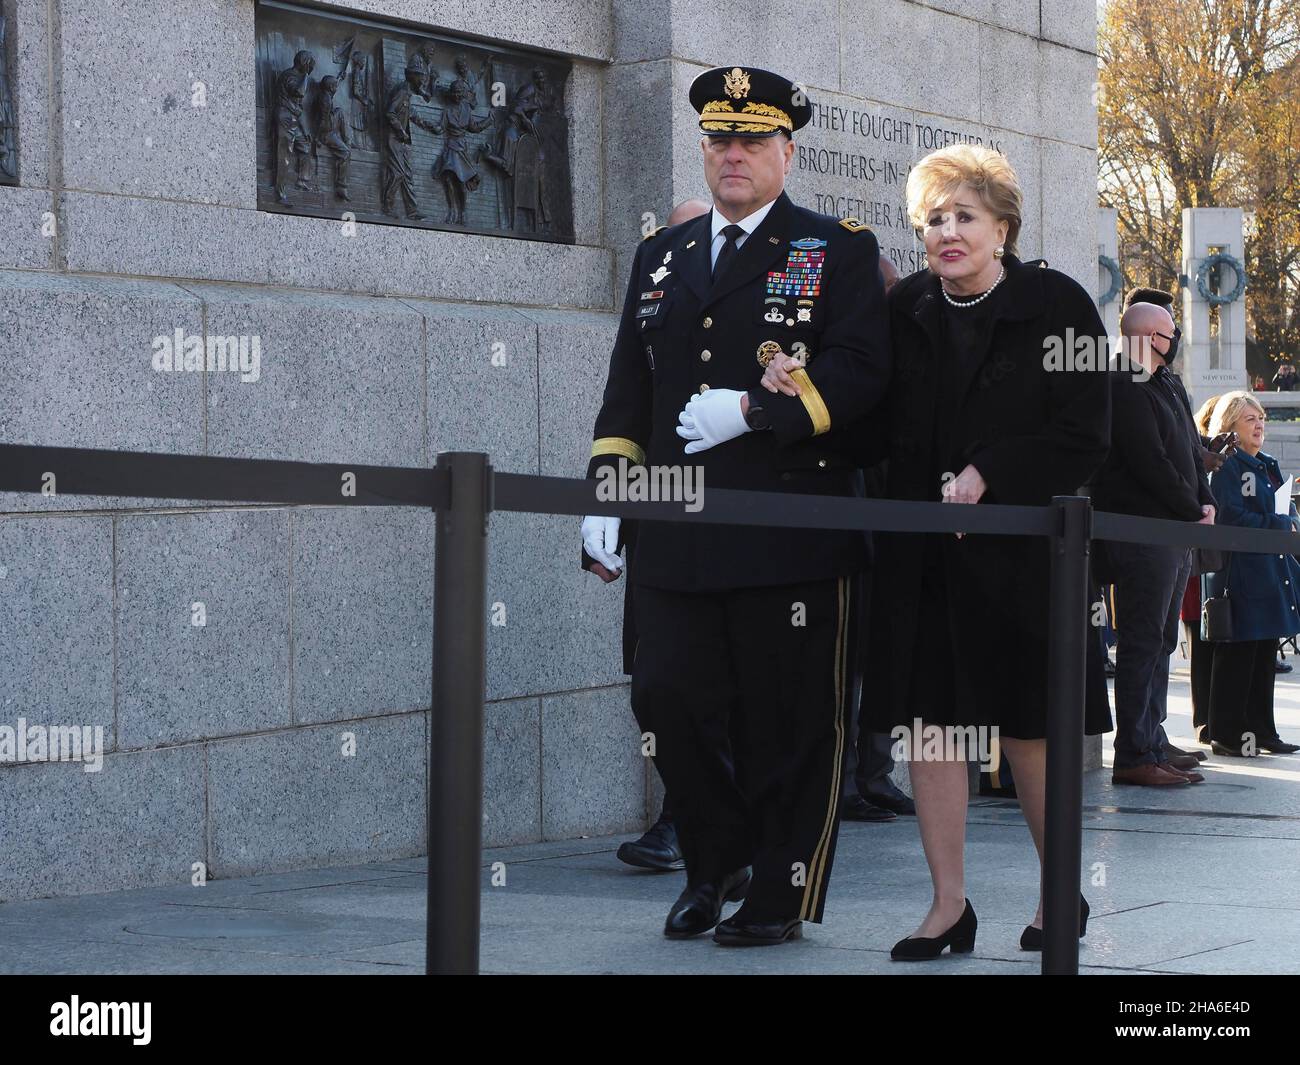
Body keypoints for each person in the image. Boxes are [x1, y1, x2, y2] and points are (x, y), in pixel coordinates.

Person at [765, 143, 1111, 957]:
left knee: (1030, 727)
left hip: (1027, 563)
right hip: (924, 563)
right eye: (934, 220)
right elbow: (876, 425)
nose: (947, 232)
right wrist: (801, 399)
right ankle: (947, 905)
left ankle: (1059, 893)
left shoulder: (1058, 303)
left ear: (1003, 227)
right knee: (931, 730)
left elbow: (1086, 435)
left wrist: (992, 470)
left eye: (964, 217)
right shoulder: (908, 307)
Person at [581, 66, 891, 947]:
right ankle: (717, 859)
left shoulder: (836, 248)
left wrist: (758, 409)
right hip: (676, 529)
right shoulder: (661, 256)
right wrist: (607, 496)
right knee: (666, 697)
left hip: (787, 533)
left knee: (786, 721)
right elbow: (627, 394)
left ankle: (777, 890)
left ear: (787, 152)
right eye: (720, 140)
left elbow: (865, 371)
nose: (734, 155)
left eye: (753, 140)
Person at [613, 198, 713, 874]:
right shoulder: (651, 314)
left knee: (714, 687)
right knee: (654, 681)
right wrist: (609, 513)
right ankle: (690, 811)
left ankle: (689, 821)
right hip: (659, 522)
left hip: (728, 527)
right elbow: (628, 410)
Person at [1091, 303, 1215, 786]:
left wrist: (1205, 502)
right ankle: (1134, 753)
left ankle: (1154, 737)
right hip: (1143, 531)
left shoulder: (1167, 382)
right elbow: (1150, 461)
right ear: (1146, 337)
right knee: (1143, 640)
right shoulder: (1124, 383)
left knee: (1162, 639)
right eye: (1170, 331)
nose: (1177, 337)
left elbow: (1188, 448)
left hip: (1174, 529)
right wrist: (1190, 507)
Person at [1202, 392, 1300, 756]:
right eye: (1249, 419)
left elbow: (1284, 509)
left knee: (1263, 654)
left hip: (1272, 569)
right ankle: (1228, 734)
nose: (1259, 424)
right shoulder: (1227, 467)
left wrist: (1288, 520)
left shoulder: (1269, 464)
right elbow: (1230, 517)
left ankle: (1263, 732)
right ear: (1229, 426)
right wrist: (1278, 523)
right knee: (1240, 655)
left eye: (1261, 418)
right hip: (1241, 573)